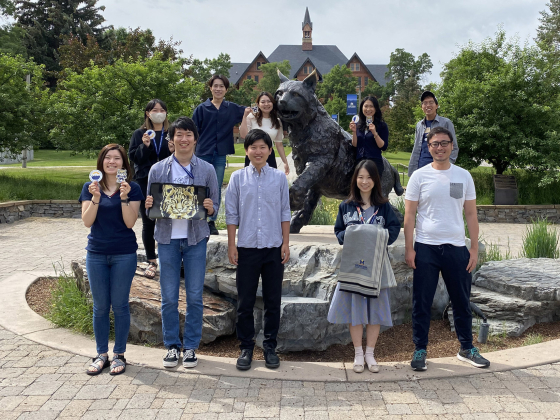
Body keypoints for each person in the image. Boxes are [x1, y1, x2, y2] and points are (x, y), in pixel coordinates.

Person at [404, 126, 490, 371]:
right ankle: (420, 348)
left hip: (456, 248)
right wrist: (409, 249)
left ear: (452, 146)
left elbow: (471, 214)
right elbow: (409, 216)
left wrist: (474, 249)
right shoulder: (419, 176)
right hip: (426, 248)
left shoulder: (463, 176)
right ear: (428, 147)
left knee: (462, 301)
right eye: (434, 144)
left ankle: (466, 348)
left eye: (444, 143)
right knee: (422, 302)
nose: (439, 147)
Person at [145, 117, 218, 369]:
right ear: (171, 140)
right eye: (179, 135)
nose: (183, 139)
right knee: (168, 297)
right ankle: (171, 346)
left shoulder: (207, 169)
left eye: (188, 134)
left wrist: (210, 207)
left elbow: (215, 208)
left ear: (195, 139)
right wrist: (148, 206)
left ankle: (190, 347)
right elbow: (151, 209)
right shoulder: (158, 170)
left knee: (195, 296)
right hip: (166, 239)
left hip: (195, 238)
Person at [225, 129, 291, 371]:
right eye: (253, 147)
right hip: (247, 248)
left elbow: (285, 212)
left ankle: (270, 346)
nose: (258, 151)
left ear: (270, 150)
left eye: (263, 147)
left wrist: (286, 242)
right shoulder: (237, 178)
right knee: (245, 301)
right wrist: (232, 244)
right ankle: (246, 347)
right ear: (247, 150)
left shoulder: (279, 178)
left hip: (273, 248)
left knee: (273, 301)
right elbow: (231, 214)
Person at [328, 159, 400, 373]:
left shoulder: (384, 206)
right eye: (360, 177)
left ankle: (371, 353)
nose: (364, 181)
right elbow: (339, 232)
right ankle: (358, 354)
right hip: (353, 268)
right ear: (355, 179)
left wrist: (376, 236)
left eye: (369, 177)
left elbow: (394, 229)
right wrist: (353, 234)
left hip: (377, 267)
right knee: (356, 311)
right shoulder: (346, 206)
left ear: (375, 180)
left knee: (376, 312)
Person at [79, 144, 143, 376]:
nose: (112, 162)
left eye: (117, 158)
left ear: (124, 164)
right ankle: (101, 354)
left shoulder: (132, 188)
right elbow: (87, 221)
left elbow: (129, 223)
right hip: (96, 253)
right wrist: (95, 198)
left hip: (123, 254)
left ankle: (119, 354)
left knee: (120, 305)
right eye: (108, 158)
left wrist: (124, 198)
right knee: (100, 307)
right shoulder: (90, 187)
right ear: (101, 162)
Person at [192, 74, 251, 235]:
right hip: (202, 153)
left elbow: (249, 110)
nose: (218, 89)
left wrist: (251, 111)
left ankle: (211, 221)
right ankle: (198, 219)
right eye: (215, 86)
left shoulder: (231, 108)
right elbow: (192, 131)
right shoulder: (201, 109)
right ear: (210, 88)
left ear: (226, 89)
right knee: (199, 186)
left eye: (221, 86)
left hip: (220, 154)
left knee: (215, 187)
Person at [128, 99, 174, 279]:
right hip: (145, 181)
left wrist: (172, 150)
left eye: (162, 109)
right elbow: (134, 158)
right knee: (148, 221)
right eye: (155, 110)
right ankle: (151, 260)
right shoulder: (139, 133)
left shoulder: (171, 133)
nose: (159, 112)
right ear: (147, 113)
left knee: (168, 219)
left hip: (167, 182)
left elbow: (181, 158)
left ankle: (169, 259)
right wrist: (144, 146)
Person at [407, 91, 459, 176]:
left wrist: (447, 165)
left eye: (431, 102)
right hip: (421, 167)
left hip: (439, 168)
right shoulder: (419, 125)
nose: (428, 105)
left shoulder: (446, 123)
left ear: (436, 106)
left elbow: (454, 147)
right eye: (425, 103)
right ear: (422, 107)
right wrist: (412, 169)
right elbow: (416, 148)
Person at [239, 92, 290, 175]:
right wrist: (244, 117)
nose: (266, 104)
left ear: (273, 104)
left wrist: (285, 162)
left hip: (269, 155)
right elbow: (243, 135)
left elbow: (279, 144)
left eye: (269, 101)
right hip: (253, 154)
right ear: (258, 104)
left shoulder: (277, 122)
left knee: (270, 183)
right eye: (263, 102)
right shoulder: (251, 117)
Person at [349, 96, 389, 179]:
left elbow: (383, 147)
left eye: (371, 106)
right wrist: (354, 131)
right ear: (362, 108)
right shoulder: (358, 125)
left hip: (374, 162)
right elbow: (355, 145)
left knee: (373, 189)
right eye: (366, 106)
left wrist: (375, 133)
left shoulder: (382, 126)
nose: (368, 109)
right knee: (360, 188)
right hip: (360, 162)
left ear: (376, 108)